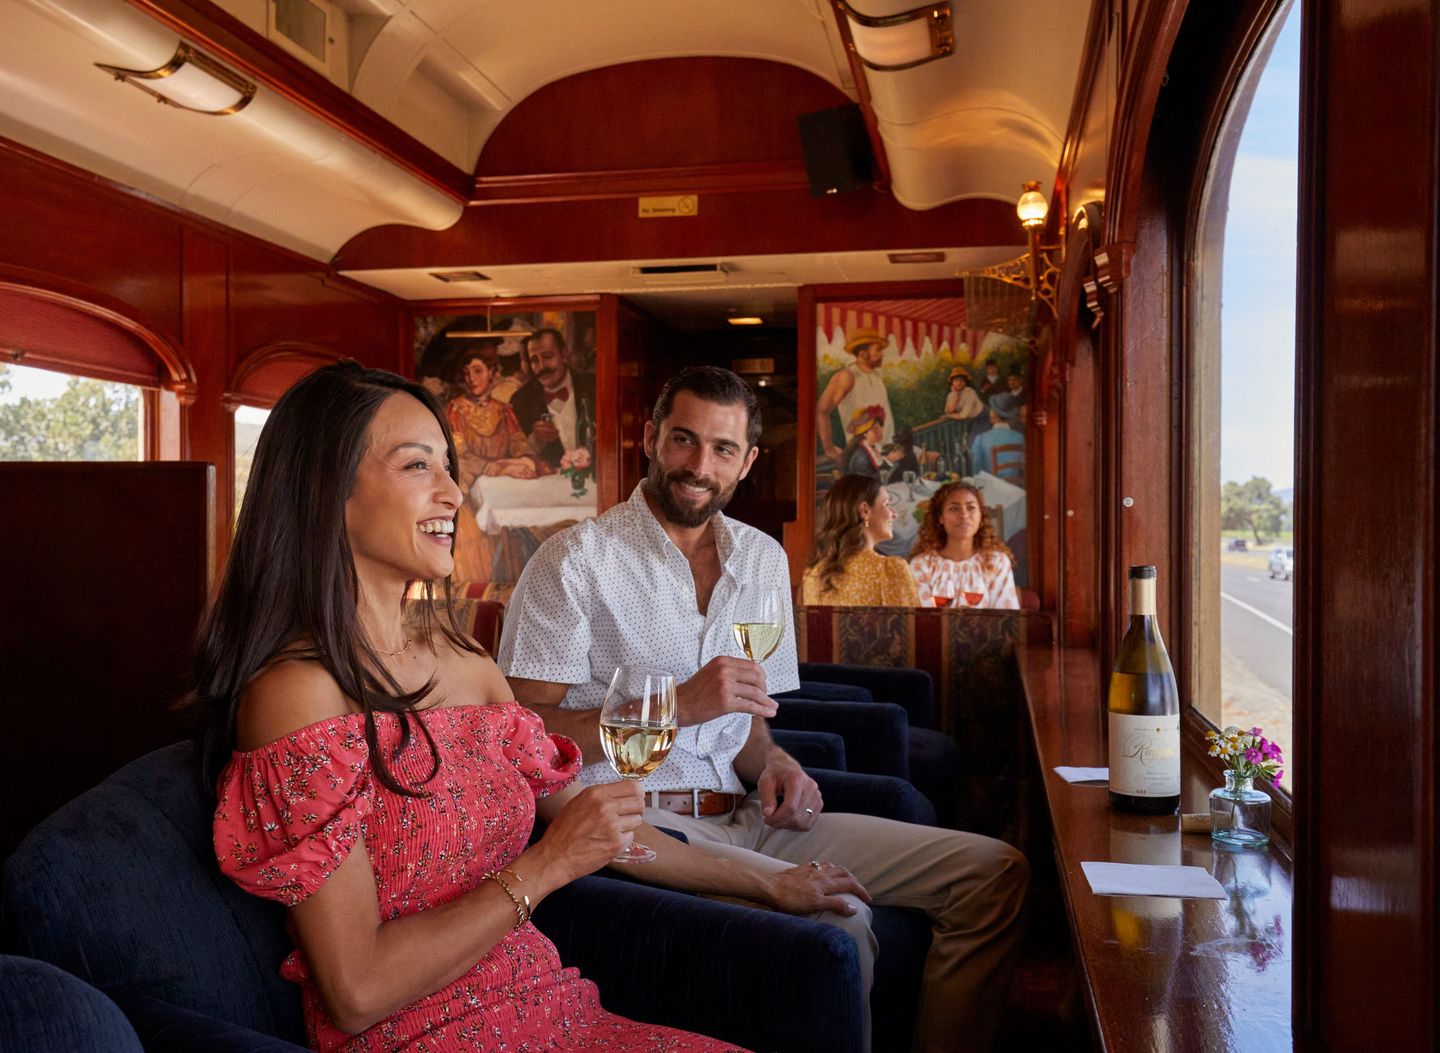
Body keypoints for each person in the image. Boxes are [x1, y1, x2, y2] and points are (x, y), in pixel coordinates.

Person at [197, 361, 742, 1053]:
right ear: (326, 490)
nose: (454, 492)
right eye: (418, 465)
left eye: (449, 467)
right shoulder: (298, 695)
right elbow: (356, 991)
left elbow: (602, 828)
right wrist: (545, 866)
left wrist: (775, 883)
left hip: (560, 1013)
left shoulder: (469, 665)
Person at [499, 367, 1028, 1053]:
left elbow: (749, 725)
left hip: (747, 812)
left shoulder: (764, 559)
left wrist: (777, 763)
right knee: (838, 928)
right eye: (683, 440)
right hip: (638, 826)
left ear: (748, 460)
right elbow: (524, 736)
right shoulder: (572, 560)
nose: (698, 465)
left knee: (994, 875)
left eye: (722, 448)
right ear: (651, 438)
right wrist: (676, 706)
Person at [445, 344, 544, 582]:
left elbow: (520, 446)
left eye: (478, 371)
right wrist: (495, 467)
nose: (471, 378)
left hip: (502, 492)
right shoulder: (454, 411)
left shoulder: (503, 411)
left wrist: (524, 463)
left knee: (522, 527)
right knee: (469, 533)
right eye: (467, 373)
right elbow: (460, 455)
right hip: (468, 493)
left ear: (492, 373)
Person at [802, 473, 921, 607]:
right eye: (887, 504)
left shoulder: (813, 573)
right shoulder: (889, 570)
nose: (894, 513)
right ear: (865, 510)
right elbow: (912, 626)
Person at [908, 480, 1020, 609]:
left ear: (980, 515)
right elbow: (924, 620)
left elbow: (1006, 619)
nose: (964, 515)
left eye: (971, 508)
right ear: (941, 518)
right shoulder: (922, 565)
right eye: (954, 509)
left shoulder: (996, 563)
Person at [511, 328, 596, 469]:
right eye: (534, 360)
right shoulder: (521, 400)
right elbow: (515, 455)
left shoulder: (593, 386)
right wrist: (535, 441)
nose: (541, 367)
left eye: (548, 356)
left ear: (564, 354)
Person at [817, 327, 894, 463]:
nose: (882, 354)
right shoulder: (847, 376)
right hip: (863, 457)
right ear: (863, 354)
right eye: (877, 350)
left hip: (887, 454)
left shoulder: (877, 376)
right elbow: (821, 410)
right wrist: (829, 448)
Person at [969, 392, 1025, 482]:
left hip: (992, 490)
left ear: (994, 414)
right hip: (1018, 490)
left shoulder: (981, 438)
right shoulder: (1021, 437)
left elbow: (976, 473)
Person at [839, 404, 887, 479]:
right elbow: (867, 482)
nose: (881, 430)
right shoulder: (860, 457)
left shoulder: (874, 448)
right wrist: (890, 461)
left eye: (880, 426)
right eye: (875, 428)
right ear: (864, 433)